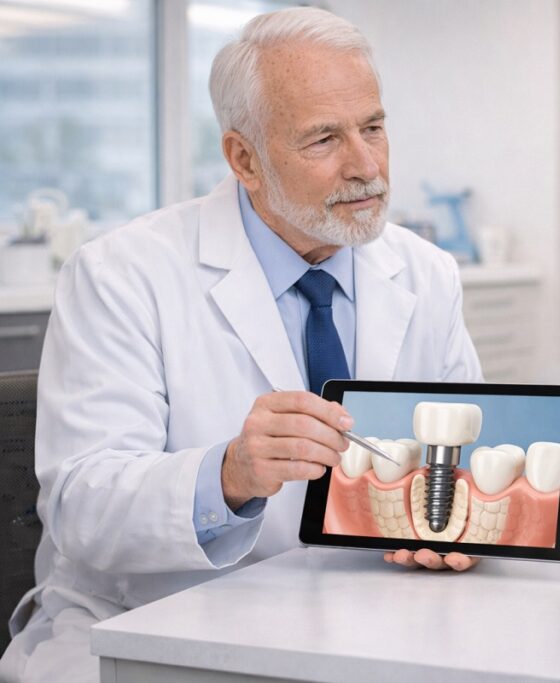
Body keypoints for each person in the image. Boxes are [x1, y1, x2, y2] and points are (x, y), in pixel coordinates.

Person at [1, 7, 482, 682]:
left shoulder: (425, 274)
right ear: (244, 159)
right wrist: (228, 475)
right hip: (152, 625)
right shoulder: (121, 274)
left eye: (373, 127)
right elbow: (81, 506)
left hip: (366, 616)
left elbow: (455, 463)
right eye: (324, 140)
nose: (367, 165)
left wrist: (455, 528)